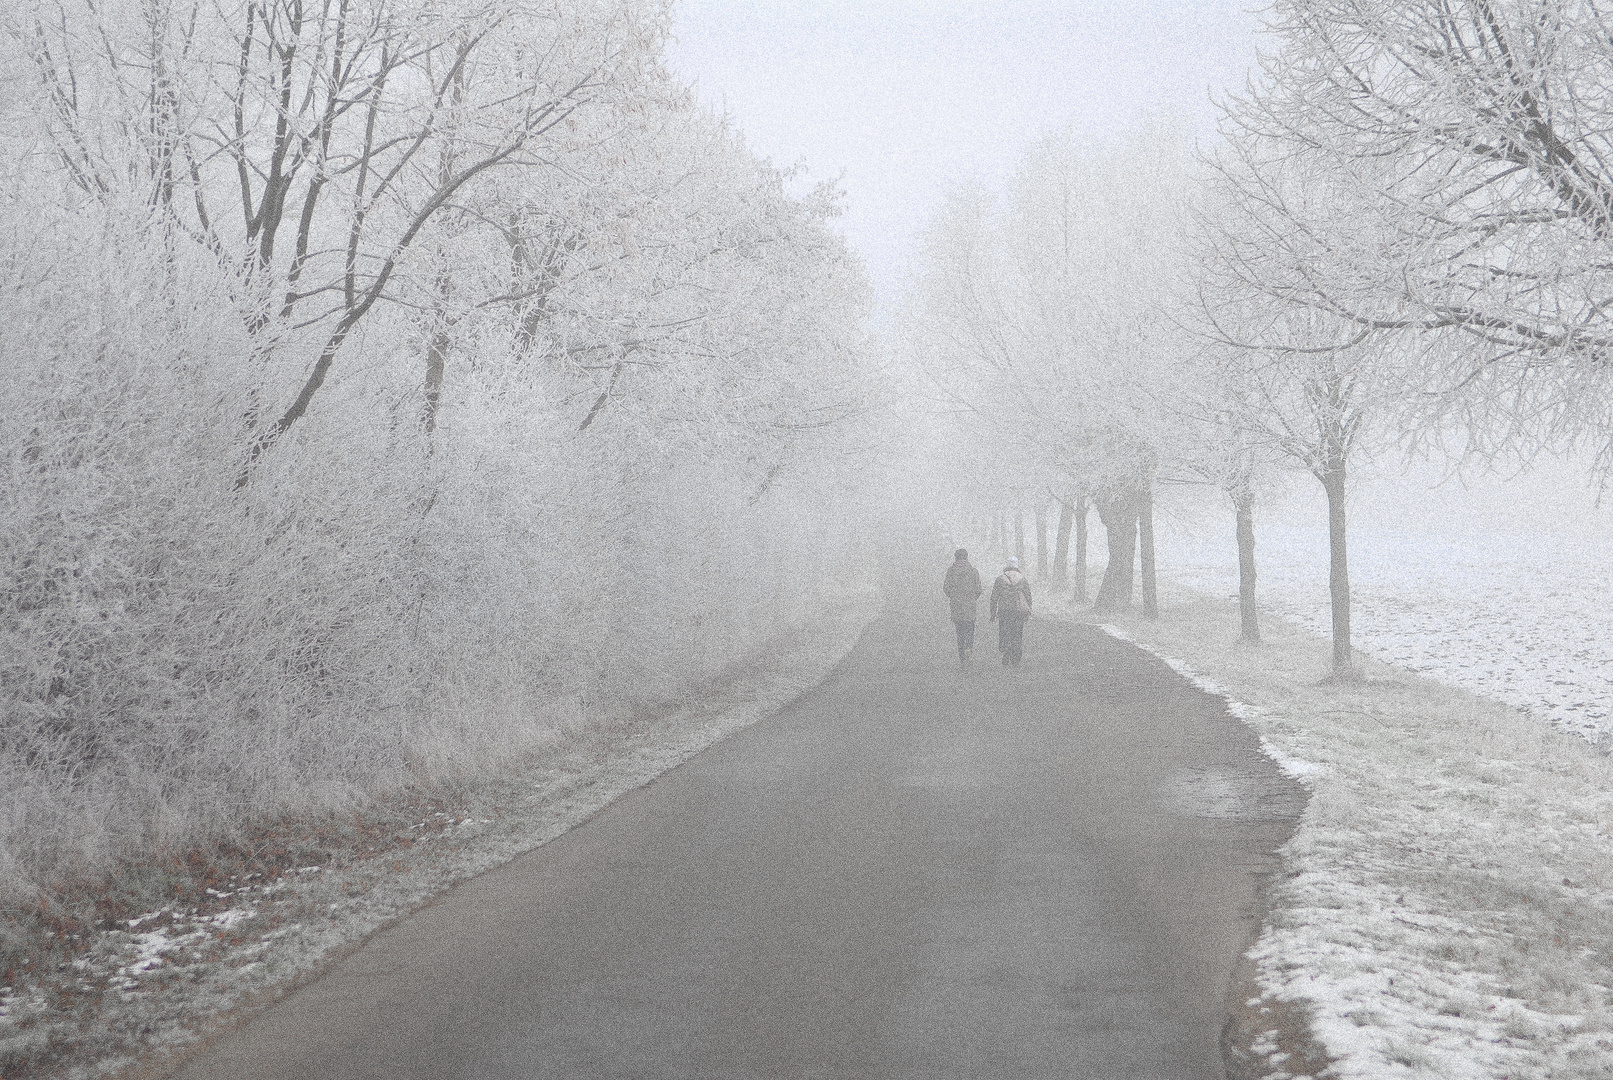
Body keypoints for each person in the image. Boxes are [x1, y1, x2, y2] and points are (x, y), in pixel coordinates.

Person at [942, 548, 982, 668]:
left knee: (959, 632)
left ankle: (962, 657)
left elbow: (946, 588)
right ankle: (968, 648)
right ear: (966, 557)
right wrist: (972, 598)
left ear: (956, 557)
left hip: (956, 605)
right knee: (970, 629)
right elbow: (978, 589)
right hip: (969, 605)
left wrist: (953, 596)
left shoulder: (951, 571)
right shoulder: (973, 571)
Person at [990, 556, 1033, 667]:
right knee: (1017, 634)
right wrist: (1029, 611)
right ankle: (1016, 658)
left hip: (1004, 611)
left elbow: (994, 597)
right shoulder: (1022, 579)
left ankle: (1006, 648)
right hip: (1018, 611)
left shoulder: (1000, 579)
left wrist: (993, 613)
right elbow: (1028, 596)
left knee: (1004, 632)